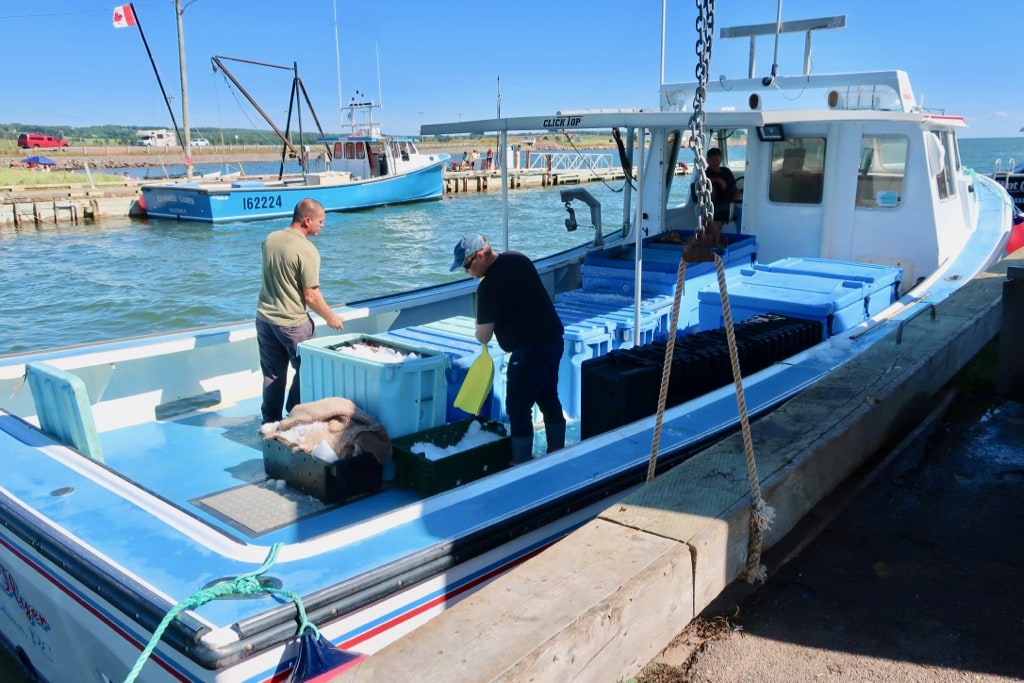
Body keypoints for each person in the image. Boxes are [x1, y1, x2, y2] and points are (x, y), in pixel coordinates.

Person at [450, 233, 567, 464]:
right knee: (548, 396)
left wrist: (478, 327)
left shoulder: (488, 287)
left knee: (517, 407)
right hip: (553, 340)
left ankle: (520, 462)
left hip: (528, 351)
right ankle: (557, 451)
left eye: (466, 265)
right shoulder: (518, 259)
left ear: (481, 255)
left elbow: (483, 336)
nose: (467, 272)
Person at [256, 198, 344, 424]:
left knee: (273, 375)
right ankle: (295, 412)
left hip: (265, 319)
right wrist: (331, 317)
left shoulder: (271, 239)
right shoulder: (307, 250)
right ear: (307, 221)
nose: (323, 225)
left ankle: (270, 422)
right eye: (321, 221)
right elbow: (311, 296)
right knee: (311, 369)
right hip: (293, 323)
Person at [690, 147, 737, 223]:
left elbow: (735, 189)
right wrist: (717, 180)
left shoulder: (726, 171)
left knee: (742, 214)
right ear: (707, 160)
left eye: (717, 160)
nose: (715, 162)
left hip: (729, 204)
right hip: (713, 206)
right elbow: (701, 183)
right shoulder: (705, 174)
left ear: (721, 159)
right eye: (713, 160)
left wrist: (733, 202)